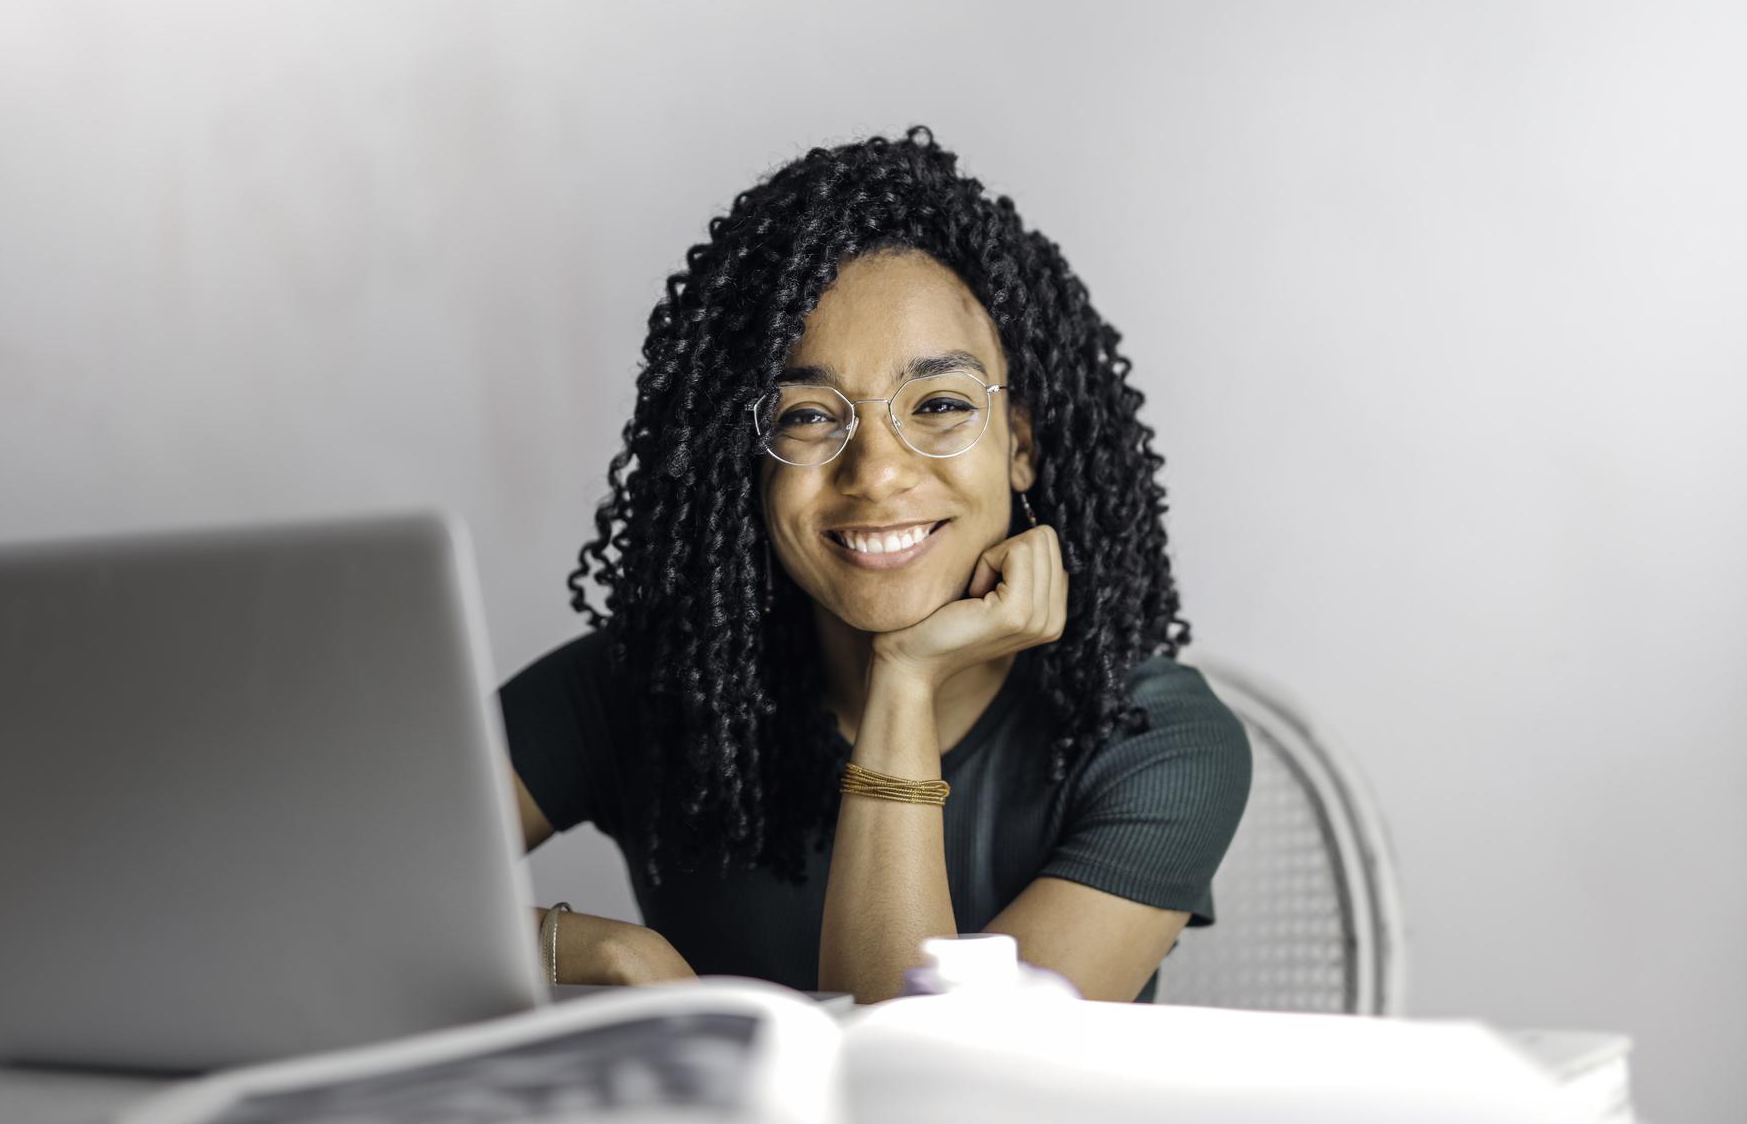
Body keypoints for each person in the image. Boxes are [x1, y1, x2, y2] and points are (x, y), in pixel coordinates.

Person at [501, 127, 1252, 1005]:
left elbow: (930, 1091)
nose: (878, 472)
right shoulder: (647, 684)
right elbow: (321, 895)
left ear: (1020, 446)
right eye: (809, 417)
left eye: (938, 404)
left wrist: (905, 679)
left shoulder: (1151, 740)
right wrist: (595, 951)